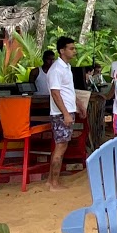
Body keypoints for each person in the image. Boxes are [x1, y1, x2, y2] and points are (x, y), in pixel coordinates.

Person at [46, 36, 78, 188]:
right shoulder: (56, 69)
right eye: (71, 49)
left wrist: (78, 105)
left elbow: (68, 91)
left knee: (61, 145)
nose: (74, 51)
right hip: (60, 113)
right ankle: (54, 182)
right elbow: (55, 93)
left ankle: (51, 180)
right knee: (61, 146)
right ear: (62, 50)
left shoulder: (66, 67)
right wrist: (65, 113)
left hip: (67, 110)